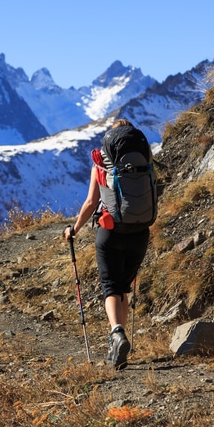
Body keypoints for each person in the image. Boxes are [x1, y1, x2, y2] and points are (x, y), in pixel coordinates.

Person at [63, 118, 152, 370]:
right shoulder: (145, 159)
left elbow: (91, 201)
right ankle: (118, 345)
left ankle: (117, 333)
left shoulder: (103, 160)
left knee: (110, 286)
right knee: (123, 287)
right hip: (140, 232)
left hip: (110, 230)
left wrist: (74, 229)